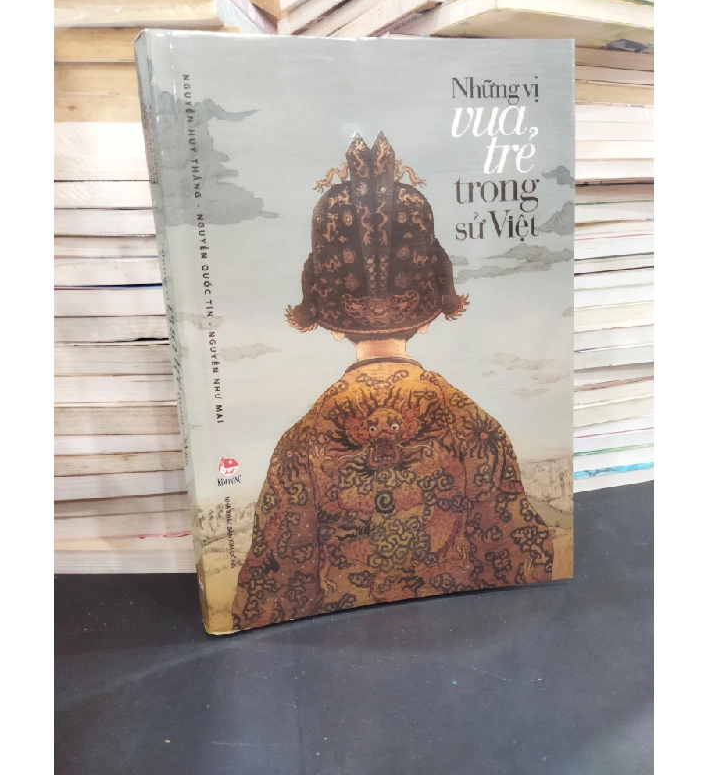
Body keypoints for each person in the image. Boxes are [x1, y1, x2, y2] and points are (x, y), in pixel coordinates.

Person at [231, 133, 553, 631]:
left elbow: (273, 589)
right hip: (465, 631)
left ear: (330, 325)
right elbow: (519, 556)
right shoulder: (475, 427)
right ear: (428, 319)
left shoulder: (300, 443)